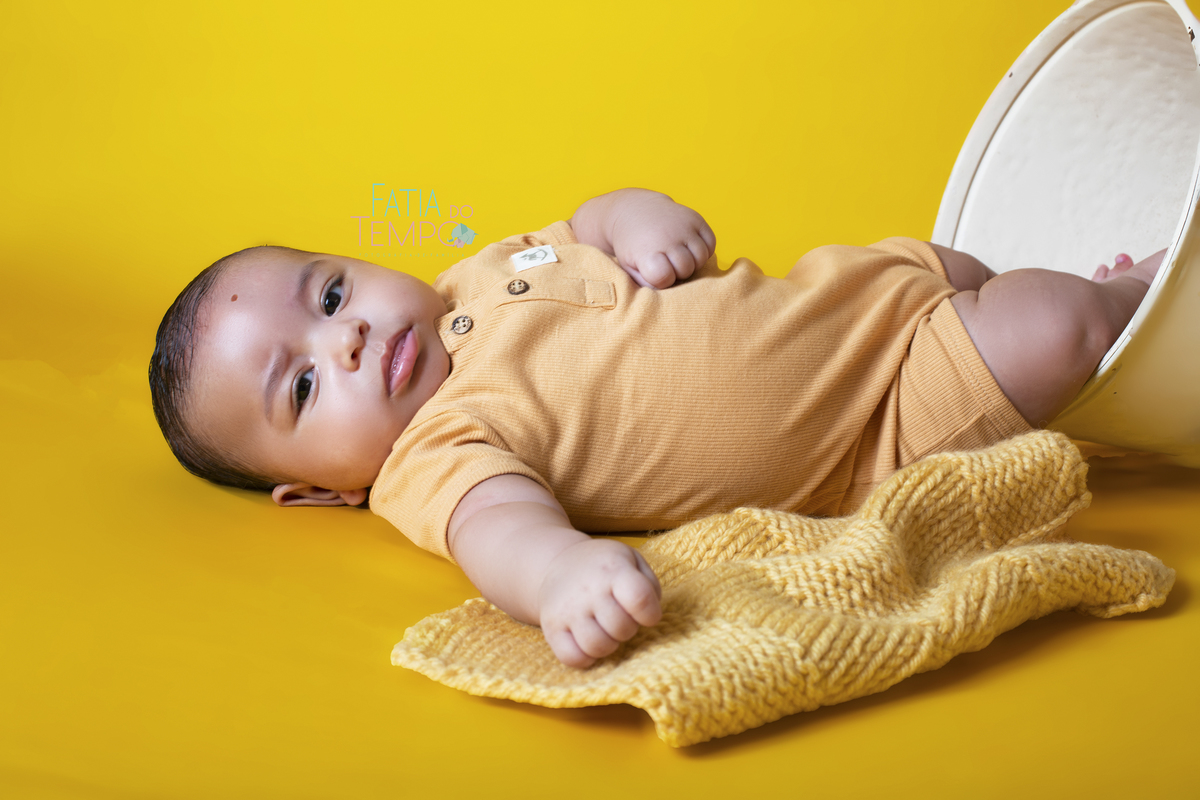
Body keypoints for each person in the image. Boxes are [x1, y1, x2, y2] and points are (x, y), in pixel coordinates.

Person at [149, 187, 1165, 668]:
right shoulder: (432, 453)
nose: (355, 338)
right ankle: (1145, 299)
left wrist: (630, 217)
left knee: (995, 279)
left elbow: (583, 226)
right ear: (322, 489)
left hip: (862, 285)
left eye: (329, 294)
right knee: (1053, 326)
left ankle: (1125, 301)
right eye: (303, 389)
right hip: (879, 423)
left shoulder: (470, 275)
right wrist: (559, 578)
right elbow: (495, 529)